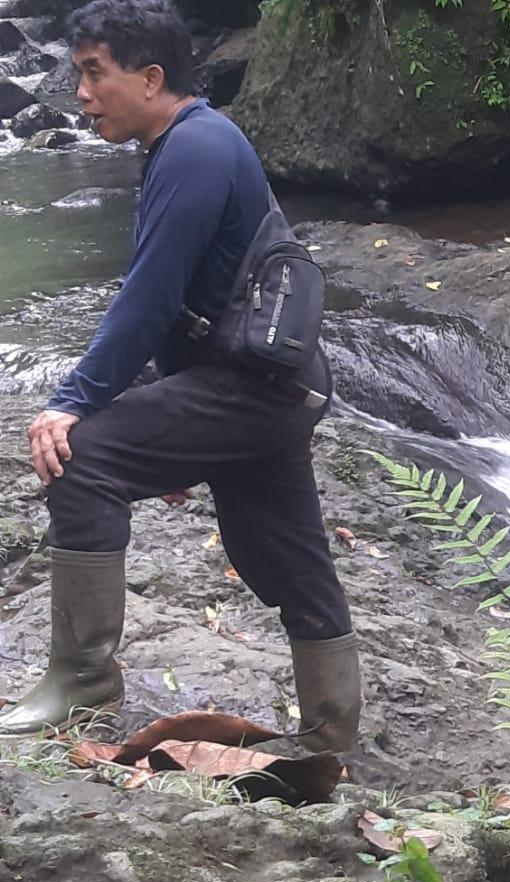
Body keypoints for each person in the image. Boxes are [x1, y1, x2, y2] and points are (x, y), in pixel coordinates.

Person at [0, 0, 361, 751]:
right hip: (274, 388)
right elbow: (181, 305)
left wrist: (71, 404)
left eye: (95, 75)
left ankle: (83, 687)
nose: (82, 95)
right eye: (77, 76)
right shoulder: (192, 144)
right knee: (289, 561)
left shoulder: (194, 150)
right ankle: (332, 736)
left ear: (151, 77)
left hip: (249, 388)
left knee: (83, 457)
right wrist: (164, 415)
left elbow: (149, 297)